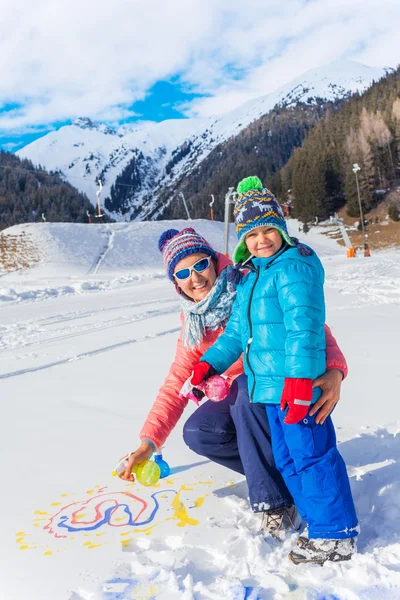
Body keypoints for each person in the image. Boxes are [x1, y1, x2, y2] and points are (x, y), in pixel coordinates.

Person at [118, 226, 348, 537]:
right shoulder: (193, 323)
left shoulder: (247, 282)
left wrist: (334, 369)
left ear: (214, 262)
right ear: (175, 283)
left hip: (278, 387)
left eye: (200, 265)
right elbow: (176, 385)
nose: (195, 278)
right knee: (200, 431)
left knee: (244, 391)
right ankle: (277, 477)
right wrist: (148, 444)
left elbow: (307, 324)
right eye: (183, 273)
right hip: (251, 399)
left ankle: (276, 503)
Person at [192, 176, 358, 564]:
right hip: (269, 389)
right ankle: (313, 517)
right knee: (286, 458)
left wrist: (301, 383)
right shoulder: (251, 277)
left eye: (270, 229)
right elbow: (236, 333)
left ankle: (335, 533)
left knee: (312, 455)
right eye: (252, 233)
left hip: (298, 386)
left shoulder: (292, 269)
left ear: (283, 230)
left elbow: (304, 328)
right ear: (243, 241)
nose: (261, 239)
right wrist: (207, 364)